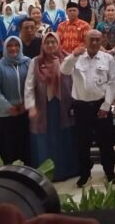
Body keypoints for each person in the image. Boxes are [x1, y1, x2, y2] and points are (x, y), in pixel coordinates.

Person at [60, 30, 115, 187]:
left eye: (97, 40)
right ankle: (85, 174)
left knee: (106, 142)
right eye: (91, 39)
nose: (94, 43)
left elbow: (112, 82)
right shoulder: (76, 57)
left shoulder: (108, 58)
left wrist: (106, 105)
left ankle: (109, 172)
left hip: (101, 105)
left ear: (102, 41)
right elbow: (64, 70)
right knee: (82, 143)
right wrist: (73, 56)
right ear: (85, 40)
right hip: (81, 107)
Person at [24, 32, 79, 181]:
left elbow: (75, 81)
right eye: (47, 43)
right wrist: (31, 106)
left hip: (63, 106)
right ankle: (46, 172)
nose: (50, 45)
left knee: (64, 137)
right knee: (45, 140)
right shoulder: (36, 62)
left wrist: (76, 102)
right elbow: (29, 85)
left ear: (58, 43)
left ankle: (65, 171)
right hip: (43, 107)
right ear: (42, 45)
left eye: (53, 42)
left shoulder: (66, 58)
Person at [0, 36, 31, 164]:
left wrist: (26, 104)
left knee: (23, 145)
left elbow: (32, 85)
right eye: (10, 46)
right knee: (8, 147)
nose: (13, 48)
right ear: (5, 48)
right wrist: (8, 107)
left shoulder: (27, 63)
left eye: (16, 45)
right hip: (4, 115)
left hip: (23, 112)